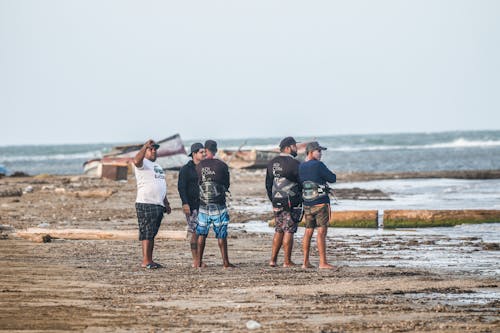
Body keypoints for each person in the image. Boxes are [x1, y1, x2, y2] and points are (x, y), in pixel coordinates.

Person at [194, 140, 235, 268]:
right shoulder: (222, 165)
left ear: (205, 150)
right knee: (221, 233)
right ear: (216, 150)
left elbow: (198, 182)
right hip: (218, 203)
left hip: (203, 204)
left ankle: (199, 262)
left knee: (202, 233)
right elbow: (226, 184)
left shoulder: (199, 165)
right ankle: (225, 262)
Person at [133, 139, 171, 269]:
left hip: (158, 203)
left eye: (155, 149)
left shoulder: (158, 166)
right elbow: (136, 161)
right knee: (147, 233)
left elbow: (161, 184)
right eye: (151, 149)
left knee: (152, 233)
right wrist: (144, 146)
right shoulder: (143, 163)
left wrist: (166, 202)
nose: (154, 151)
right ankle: (145, 261)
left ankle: (150, 259)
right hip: (146, 202)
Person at [265, 136, 303, 267]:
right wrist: (301, 199)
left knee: (279, 229)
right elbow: (301, 182)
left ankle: (273, 260)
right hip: (290, 201)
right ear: (288, 148)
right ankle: (287, 261)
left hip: (276, 200)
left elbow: (268, 184)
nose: (296, 148)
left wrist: (273, 200)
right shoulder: (295, 163)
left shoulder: (271, 163)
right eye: (294, 146)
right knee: (289, 230)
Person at [299, 141, 336, 269]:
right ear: (311, 152)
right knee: (321, 233)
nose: (321, 154)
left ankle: (305, 262)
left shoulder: (301, 166)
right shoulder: (319, 165)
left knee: (308, 231)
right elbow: (332, 178)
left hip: (307, 203)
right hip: (321, 203)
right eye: (318, 151)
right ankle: (323, 262)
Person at [177, 142, 205, 267]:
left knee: (202, 233)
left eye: (204, 152)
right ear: (194, 154)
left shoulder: (206, 168)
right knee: (195, 232)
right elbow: (181, 187)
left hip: (205, 205)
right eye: (201, 152)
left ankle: (199, 259)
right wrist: (185, 203)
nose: (204, 154)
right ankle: (195, 261)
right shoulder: (186, 169)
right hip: (192, 205)